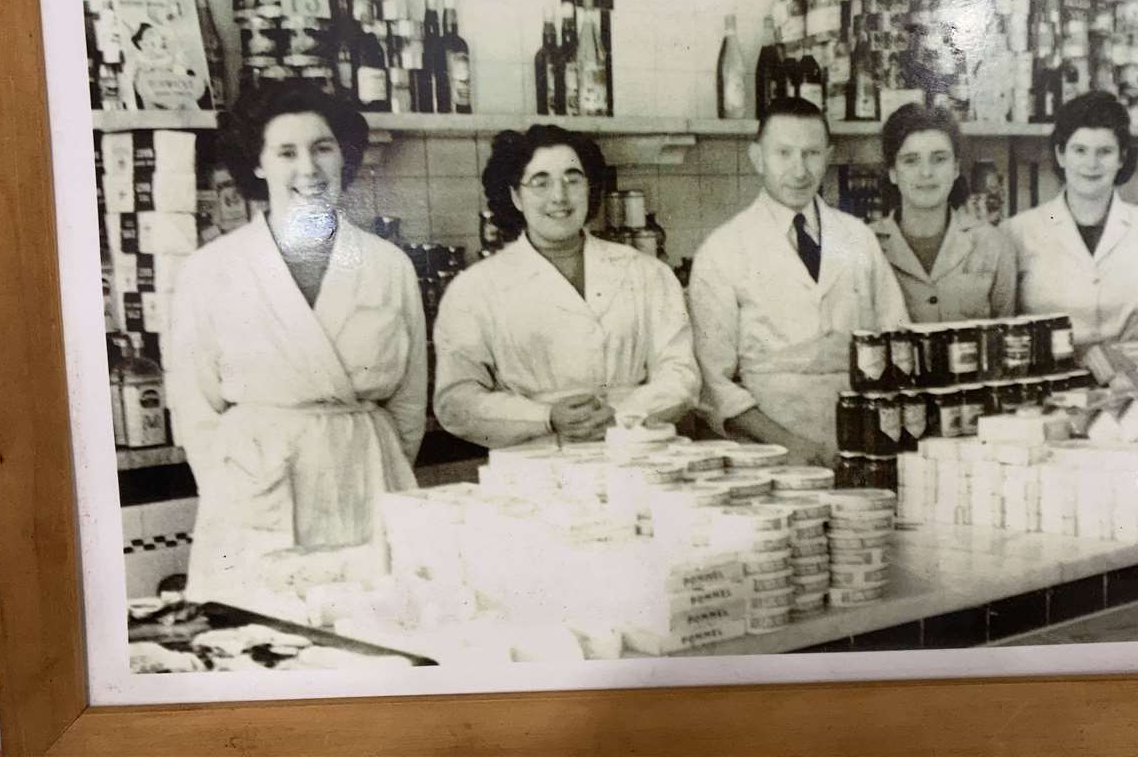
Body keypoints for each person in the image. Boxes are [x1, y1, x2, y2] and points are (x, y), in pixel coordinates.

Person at [165, 81, 427, 604]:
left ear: (343, 156)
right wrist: (231, 490)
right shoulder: (210, 269)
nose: (308, 168)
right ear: (257, 164)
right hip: (256, 493)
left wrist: (374, 461)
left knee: (375, 632)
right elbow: (195, 408)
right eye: (287, 152)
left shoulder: (387, 264)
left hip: (366, 476)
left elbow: (409, 401)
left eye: (322, 147)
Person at [433, 124, 698, 448]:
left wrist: (622, 411)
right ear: (516, 195)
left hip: (636, 451)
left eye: (573, 180)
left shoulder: (647, 273)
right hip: (532, 466)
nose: (559, 196)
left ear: (590, 188)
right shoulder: (475, 288)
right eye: (540, 183)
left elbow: (681, 375)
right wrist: (544, 416)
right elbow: (455, 402)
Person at [687, 97, 910, 466]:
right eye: (784, 153)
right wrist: (789, 443)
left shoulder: (858, 237)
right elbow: (713, 384)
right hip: (769, 452)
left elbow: (897, 338)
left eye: (811, 153)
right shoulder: (722, 250)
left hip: (863, 443)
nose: (799, 170)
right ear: (757, 157)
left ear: (829, 155)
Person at [1004, 90, 1138, 363]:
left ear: (1122, 158)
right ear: (1061, 155)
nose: (1091, 164)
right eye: (1079, 150)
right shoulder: (1016, 234)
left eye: (1105, 151)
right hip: (1047, 393)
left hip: (1134, 391)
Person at [869, 103, 1017, 322]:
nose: (926, 172)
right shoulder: (865, 245)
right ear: (892, 172)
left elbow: (1010, 340)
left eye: (939, 159)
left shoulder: (993, 245)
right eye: (911, 160)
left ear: (956, 168)